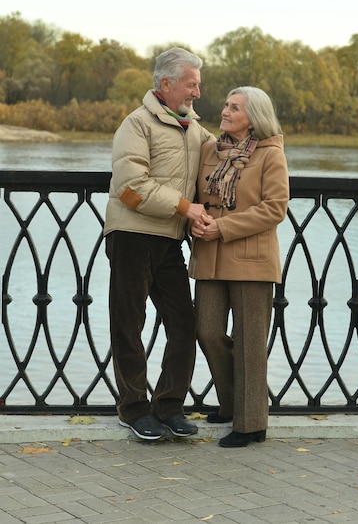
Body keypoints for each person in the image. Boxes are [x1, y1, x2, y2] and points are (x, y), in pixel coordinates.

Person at [104, 47, 214, 441]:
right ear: (165, 84)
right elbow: (131, 188)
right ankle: (133, 409)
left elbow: (225, 162)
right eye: (191, 84)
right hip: (131, 236)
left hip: (169, 240)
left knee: (184, 325)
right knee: (128, 324)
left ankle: (168, 408)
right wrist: (187, 208)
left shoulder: (196, 130)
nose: (197, 93)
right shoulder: (136, 125)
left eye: (198, 85)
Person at [189, 86, 289, 447]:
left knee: (250, 342)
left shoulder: (270, 155)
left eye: (235, 108)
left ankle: (250, 423)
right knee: (207, 331)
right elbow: (196, 200)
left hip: (251, 259)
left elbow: (274, 208)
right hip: (210, 257)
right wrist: (195, 223)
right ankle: (233, 403)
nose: (225, 111)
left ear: (253, 118)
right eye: (226, 105)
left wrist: (223, 227)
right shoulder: (208, 151)